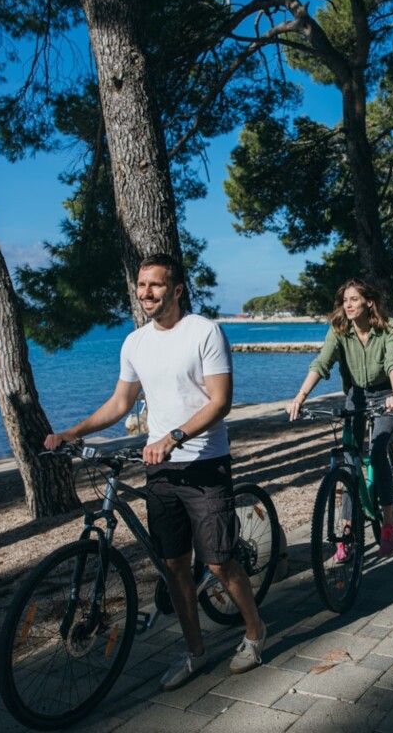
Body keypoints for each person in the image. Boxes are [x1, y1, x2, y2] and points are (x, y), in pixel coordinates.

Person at [44, 253, 266, 691]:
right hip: (161, 469)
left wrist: (173, 437)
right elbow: (121, 403)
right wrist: (73, 431)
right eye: (142, 285)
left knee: (220, 562)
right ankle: (195, 653)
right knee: (173, 566)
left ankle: (256, 633)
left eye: (156, 285)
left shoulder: (204, 332)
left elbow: (220, 401)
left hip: (204, 463)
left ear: (177, 289)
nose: (146, 293)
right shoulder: (135, 343)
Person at [287, 278, 393, 557]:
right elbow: (322, 362)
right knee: (347, 461)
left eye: (354, 299)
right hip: (356, 395)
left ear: (368, 302)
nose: (349, 305)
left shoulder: (388, 327)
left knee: (377, 451)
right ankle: (346, 530)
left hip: (384, 394)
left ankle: (389, 523)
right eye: (345, 300)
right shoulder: (339, 330)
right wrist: (300, 397)